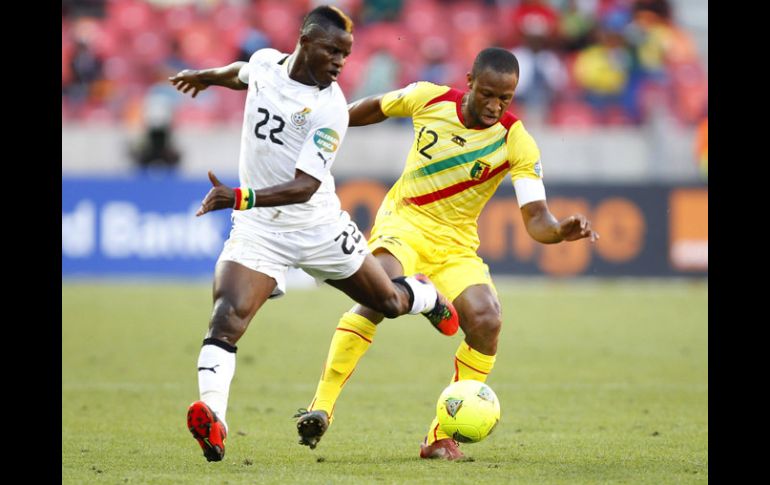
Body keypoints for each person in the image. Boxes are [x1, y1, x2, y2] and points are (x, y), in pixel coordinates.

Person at [169, 5, 459, 463]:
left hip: (316, 225)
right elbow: (241, 73)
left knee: (388, 302)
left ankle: (423, 295)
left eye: (346, 54)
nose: (341, 62)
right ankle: (214, 418)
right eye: (333, 50)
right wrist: (204, 76)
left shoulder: (329, 109)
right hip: (259, 229)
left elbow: (304, 187)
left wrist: (238, 197)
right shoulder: (267, 62)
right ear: (305, 41)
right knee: (226, 317)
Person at [295, 47, 599, 459]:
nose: (494, 106)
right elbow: (373, 108)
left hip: (455, 245)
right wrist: (324, 125)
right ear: (470, 80)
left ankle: (441, 436)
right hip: (404, 224)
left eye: (504, 98)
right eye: (488, 93)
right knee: (377, 294)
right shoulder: (429, 98)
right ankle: (321, 408)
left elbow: (537, 219)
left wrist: (561, 230)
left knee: (487, 320)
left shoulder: (516, 141)